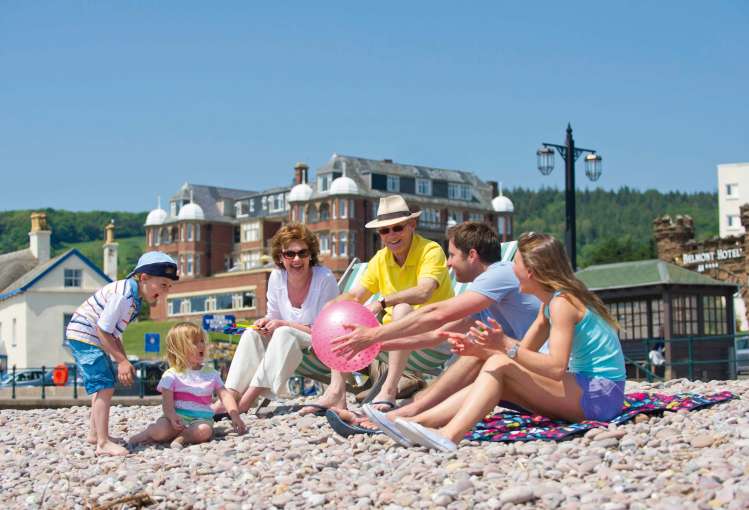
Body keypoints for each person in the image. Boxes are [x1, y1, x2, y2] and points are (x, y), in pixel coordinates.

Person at [368, 232, 626, 452]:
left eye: (516, 264)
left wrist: (502, 344)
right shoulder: (549, 304)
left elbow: (556, 367)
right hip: (587, 390)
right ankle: (416, 422)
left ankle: (447, 435)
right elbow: (524, 354)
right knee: (495, 367)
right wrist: (485, 349)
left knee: (500, 362)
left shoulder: (562, 304)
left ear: (532, 272)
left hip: (601, 395)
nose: (513, 271)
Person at [332, 222, 539, 425]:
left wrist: (372, 335)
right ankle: (398, 418)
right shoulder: (484, 298)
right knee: (469, 362)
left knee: (478, 358)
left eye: (452, 255)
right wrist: (372, 345)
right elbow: (435, 336)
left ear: (473, 256)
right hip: (521, 373)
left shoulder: (499, 274)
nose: (449, 263)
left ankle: (400, 419)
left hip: (540, 374)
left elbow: (436, 313)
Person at [324, 194, 454, 412]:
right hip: (394, 337)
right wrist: (333, 307)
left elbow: (423, 292)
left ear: (412, 225)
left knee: (402, 309)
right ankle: (337, 393)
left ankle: (390, 389)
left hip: (435, 337)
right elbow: (355, 297)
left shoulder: (430, 250)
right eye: (385, 230)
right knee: (343, 314)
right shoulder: (381, 258)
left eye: (398, 228)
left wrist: (382, 302)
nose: (391, 235)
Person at [212, 223, 340, 416]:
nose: (296, 259)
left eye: (302, 253)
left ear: (310, 255)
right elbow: (274, 318)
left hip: (319, 343)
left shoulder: (324, 278)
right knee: (251, 334)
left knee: (284, 332)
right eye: (290, 254)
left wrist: (284, 324)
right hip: (287, 341)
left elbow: (327, 329)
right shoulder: (276, 277)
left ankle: (247, 400)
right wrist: (265, 323)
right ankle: (230, 396)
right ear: (280, 257)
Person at [65, 252, 178, 456]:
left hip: (91, 336)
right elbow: (103, 330)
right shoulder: (124, 295)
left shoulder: (133, 297)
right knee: (104, 385)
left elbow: (114, 334)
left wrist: (123, 361)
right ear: (144, 278)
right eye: (163, 285)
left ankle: (95, 434)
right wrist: (122, 361)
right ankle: (102, 443)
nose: (166, 292)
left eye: (169, 287)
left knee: (104, 385)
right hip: (84, 336)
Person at [129, 322, 245, 448]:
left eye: (202, 341)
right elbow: (167, 403)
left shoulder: (211, 374)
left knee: (204, 431)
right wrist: (172, 416)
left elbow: (225, 395)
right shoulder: (171, 375)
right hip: (175, 416)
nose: (201, 345)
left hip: (201, 419)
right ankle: (148, 433)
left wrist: (234, 415)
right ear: (179, 349)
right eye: (195, 342)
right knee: (160, 430)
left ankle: (183, 438)